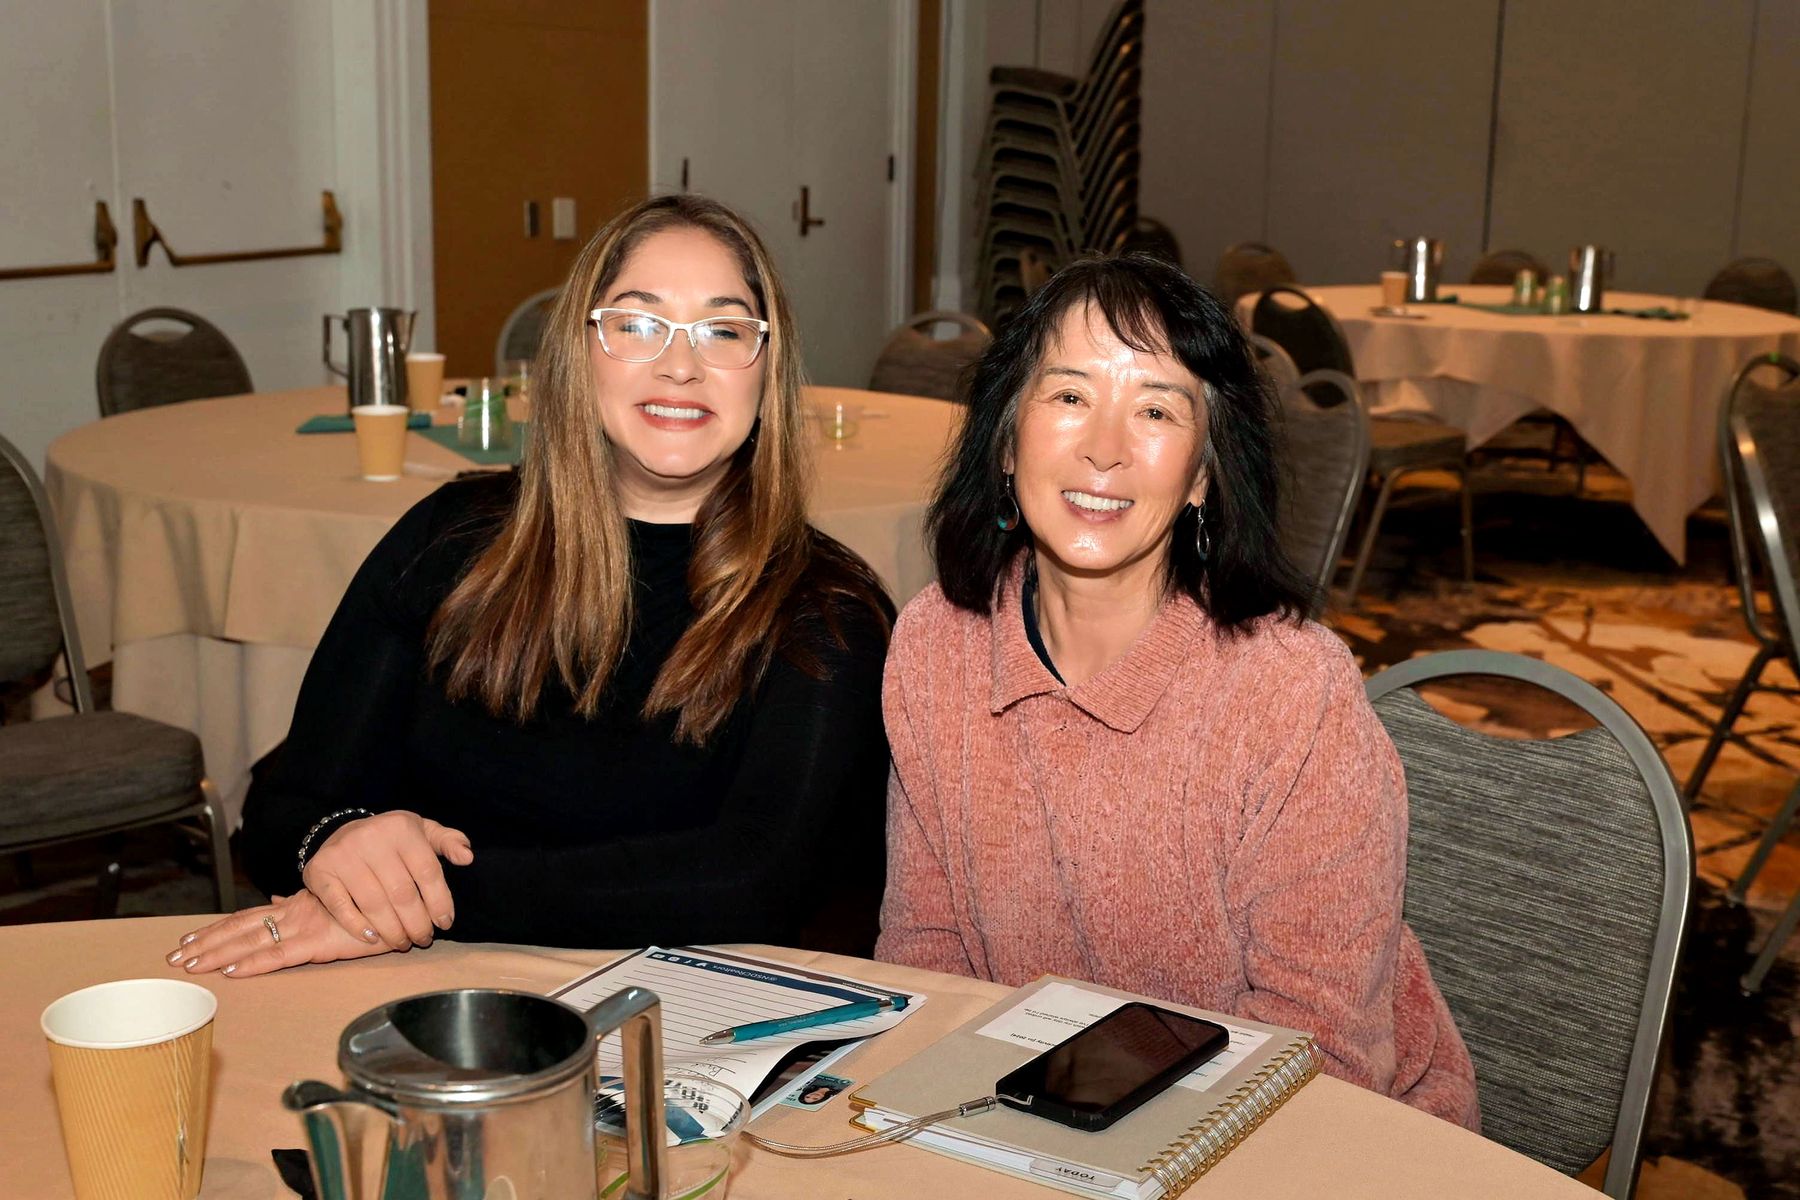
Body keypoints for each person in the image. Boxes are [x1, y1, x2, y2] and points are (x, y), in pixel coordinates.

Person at [168, 195, 892, 979]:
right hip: (419, 988)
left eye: (723, 330)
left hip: (676, 1010)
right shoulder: (451, 541)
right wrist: (338, 841)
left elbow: (752, 880)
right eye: (637, 323)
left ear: (768, 367)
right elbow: (284, 808)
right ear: (580, 352)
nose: (680, 365)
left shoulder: (824, 611)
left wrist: (414, 897)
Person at [874, 253, 1479, 1128]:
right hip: (1034, 1119)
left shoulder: (1290, 690)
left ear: (1201, 474)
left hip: (1324, 1131)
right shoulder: (936, 645)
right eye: (1070, 395)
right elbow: (925, 965)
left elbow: (1321, 1054)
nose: (1105, 449)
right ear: (1005, 440)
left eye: (1155, 410)